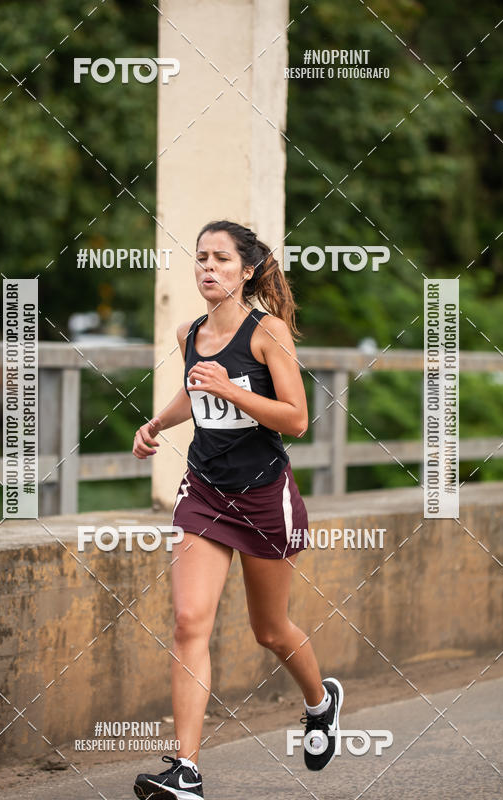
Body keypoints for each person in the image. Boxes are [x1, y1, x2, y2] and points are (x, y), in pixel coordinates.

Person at [132, 220, 343, 799]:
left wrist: (233, 391)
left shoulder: (267, 332)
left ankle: (320, 703)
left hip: (263, 496)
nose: (208, 267)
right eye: (201, 257)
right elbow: (194, 389)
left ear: (246, 271)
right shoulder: (189, 332)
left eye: (221, 258)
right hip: (204, 492)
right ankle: (186, 771)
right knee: (188, 622)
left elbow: (296, 419)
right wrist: (157, 423)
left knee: (269, 629)